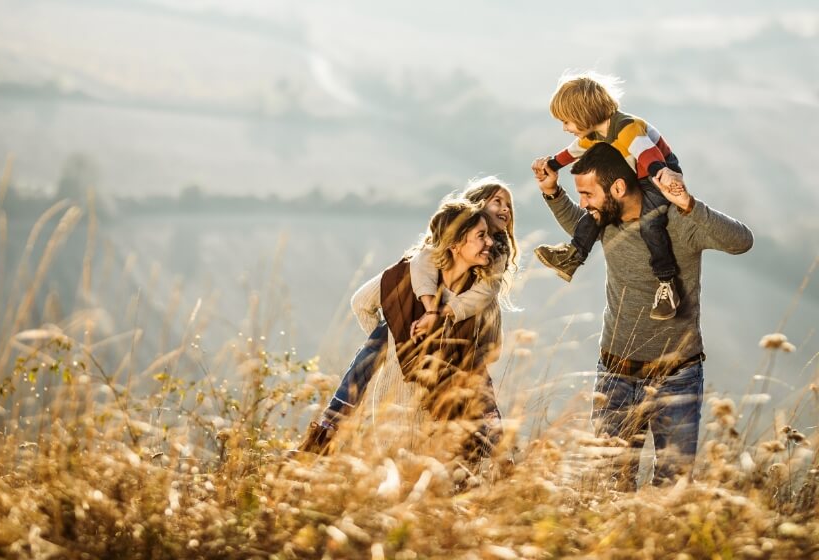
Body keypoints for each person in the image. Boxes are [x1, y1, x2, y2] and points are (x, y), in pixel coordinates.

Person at [531, 142, 753, 489]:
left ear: (618, 188)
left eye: (588, 194)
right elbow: (578, 223)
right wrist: (552, 192)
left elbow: (741, 241)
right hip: (615, 373)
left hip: (676, 376)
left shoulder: (679, 225)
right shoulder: (607, 222)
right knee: (607, 487)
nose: (584, 203)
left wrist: (689, 204)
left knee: (671, 488)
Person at [297, 182, 518, 459]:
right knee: (372, 352)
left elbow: (485, 294)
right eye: (496, 202)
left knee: (479, 385)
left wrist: (440, 314)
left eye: (508, 204)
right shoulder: (422, 263)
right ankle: (327, 428)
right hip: (414, 347)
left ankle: (501, 455)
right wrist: (398, 337)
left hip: (465, 340)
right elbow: (420, 262)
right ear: (473, 210)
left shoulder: (494, 256)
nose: (505, 209)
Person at [532, 72, 687, 320]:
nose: (564, 128)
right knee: (597, 210)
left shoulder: (627, 128)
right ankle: (573, 256)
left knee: (650, 223)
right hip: (631, 178)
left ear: (584, 114)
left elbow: (648, 156)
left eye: (567, 121)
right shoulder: (594, 135)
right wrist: (551, 164)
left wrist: (665, 176)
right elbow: (572, 153)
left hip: (656, 177)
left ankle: (666, 284)